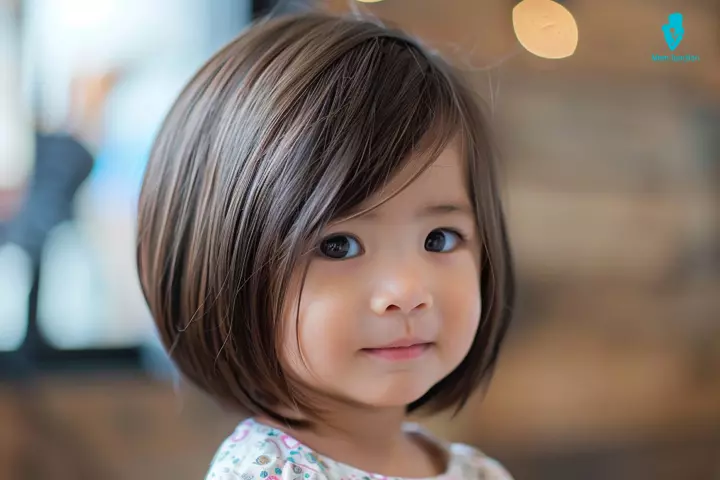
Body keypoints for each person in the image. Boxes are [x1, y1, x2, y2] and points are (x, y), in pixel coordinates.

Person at [136, 11, 515, 480]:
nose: (407, 290)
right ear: (227, 265)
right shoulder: (269, 474)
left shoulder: (478, 473)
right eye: (339, 245)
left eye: (439, 239)